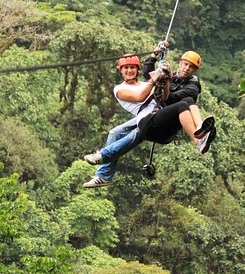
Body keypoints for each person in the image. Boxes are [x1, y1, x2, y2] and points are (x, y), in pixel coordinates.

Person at [82, 51, 215, 188]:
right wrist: (154, 66)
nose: (130, 71)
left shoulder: (148, 84)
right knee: (117, 133)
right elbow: (140, 96)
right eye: (126, 68)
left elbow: (164, 97)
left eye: (132, 67)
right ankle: (103, 169)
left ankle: (200, 133)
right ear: (120, 70)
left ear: (137, 69)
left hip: (158, 118)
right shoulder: (120, 89)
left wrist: (164, 79)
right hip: (147, 118)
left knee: (184, 102)